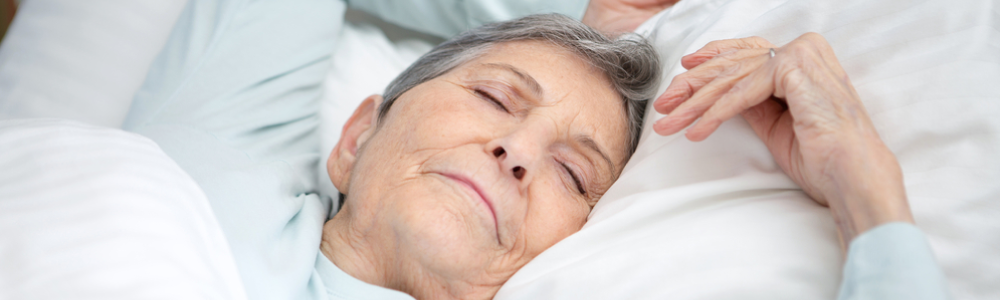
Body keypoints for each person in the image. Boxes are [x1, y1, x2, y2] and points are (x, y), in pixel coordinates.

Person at [117, 0, 947, 300]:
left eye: (572, 171)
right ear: (358, 135)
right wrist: (600, 17)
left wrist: (866, 193)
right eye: (493, 97)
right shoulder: (220, 163)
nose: (518, 151)